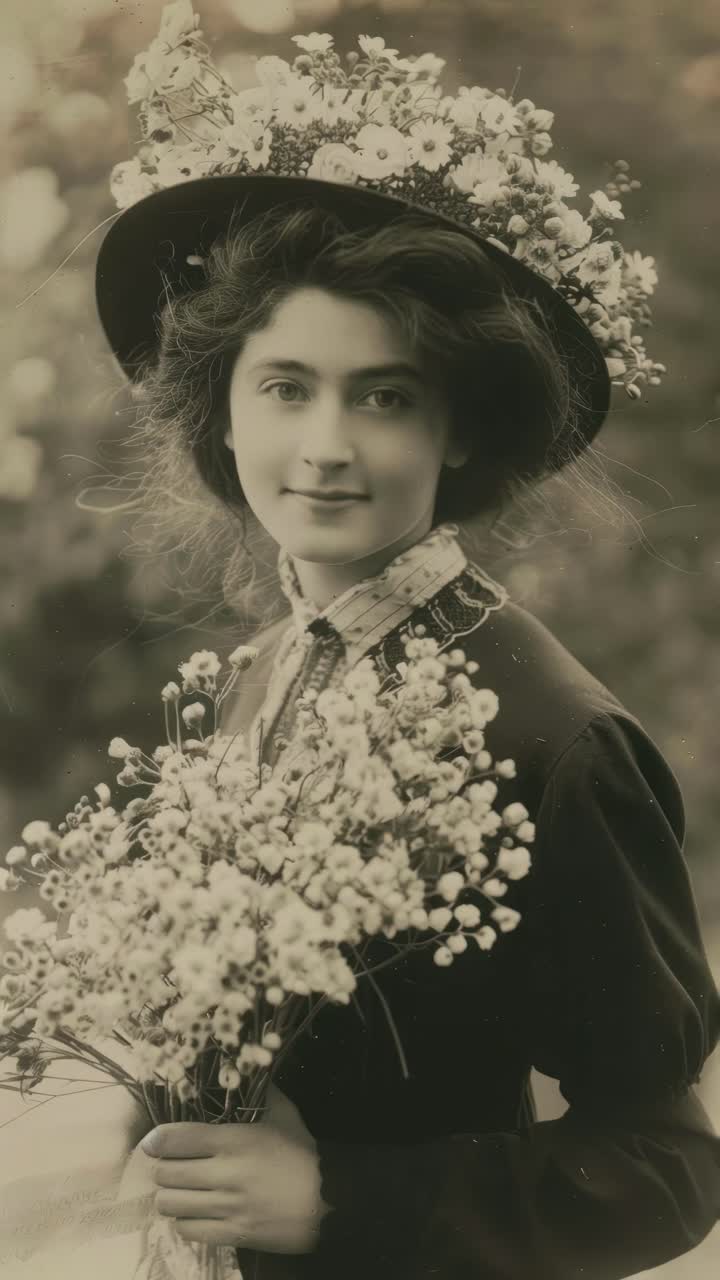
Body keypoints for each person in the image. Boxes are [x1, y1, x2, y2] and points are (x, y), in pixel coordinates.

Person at [89, 16, 720, 1279]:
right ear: (222, 405)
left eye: (385, 394)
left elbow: (665, 1164)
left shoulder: (555, 732)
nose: (326, 443)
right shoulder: (255, 677)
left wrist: (335, 1198)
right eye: (286, 385)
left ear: (463, 429)